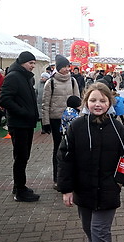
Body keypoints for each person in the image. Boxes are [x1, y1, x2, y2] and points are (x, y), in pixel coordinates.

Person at [57, 82, 124, 242]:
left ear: (110, 102)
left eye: (102, 100)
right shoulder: (76, 126)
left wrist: (120, 182)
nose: (97, 104)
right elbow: (64, 157)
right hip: (82, 188)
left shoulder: (118, 128)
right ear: (86, 102)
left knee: (100, 229)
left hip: (108, 190)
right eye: (92, 100)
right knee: (88, 226)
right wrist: (66, 189)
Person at [0, 51, 40, 201]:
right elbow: (4, 99)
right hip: (19, 124)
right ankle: (20, 191)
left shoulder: (26, 77)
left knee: (24, 156)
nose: (33, 66)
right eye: (31, 63)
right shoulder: (14, 77)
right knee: (21, 157)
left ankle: (19, 186)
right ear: (23, 62)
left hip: (26, 123)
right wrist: (23, 112)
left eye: (34, 63)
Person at [42, 54, 80, 190]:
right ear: (57, 68)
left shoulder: (73, 81)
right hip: (56, 120)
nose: (66, 69)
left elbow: (78, 100)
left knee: (73, 147)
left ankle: (72, 177)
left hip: (72, 119)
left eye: (67, 66)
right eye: (63, 66)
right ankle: (57, 177)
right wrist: (45, 122)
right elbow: (45, 104)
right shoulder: (50, 82)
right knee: (59, 148)